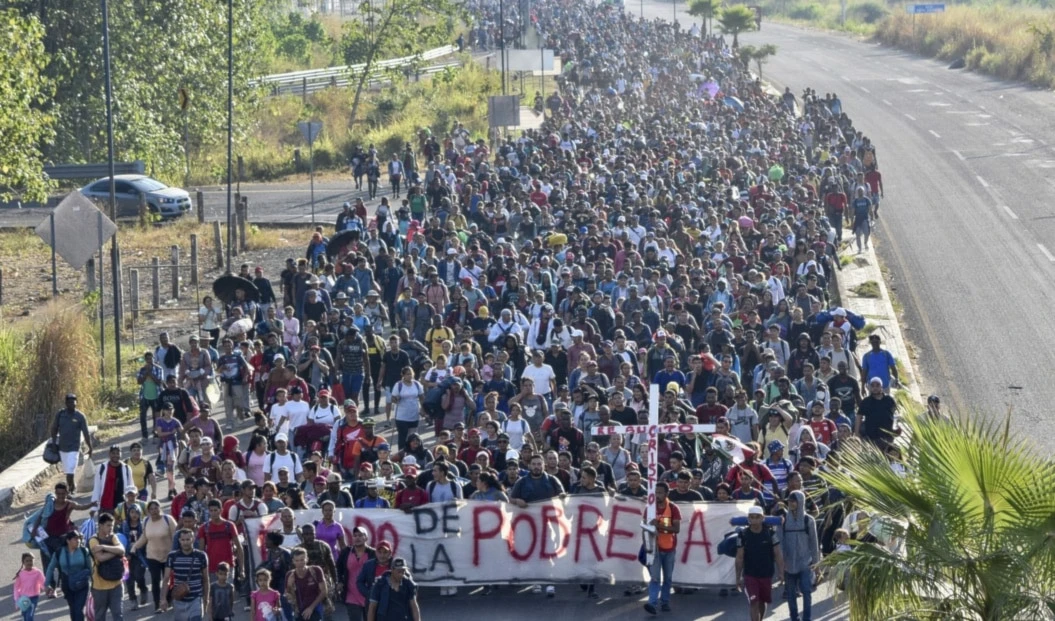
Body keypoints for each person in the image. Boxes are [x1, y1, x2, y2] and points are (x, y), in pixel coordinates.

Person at [509, 454, 564, 598]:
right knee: (533, 554)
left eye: (539, 464)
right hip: (528, 525)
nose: (537, 466)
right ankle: (536, 582)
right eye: (534, 464)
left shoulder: (552, 480)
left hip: (548, 523)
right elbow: (510, 499)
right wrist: (517, 501)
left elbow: (563, 495)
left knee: (548, 553)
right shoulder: (521, 482)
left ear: (543, 465)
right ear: (529, 466)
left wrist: (562, 497)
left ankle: (550, 582)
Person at [736, 506, 785, 621]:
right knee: (754, 602)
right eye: (752, 517)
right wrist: (738, 577)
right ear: (748, 519)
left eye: (757, 517)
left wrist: (782, 572)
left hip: (766, 574)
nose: (754, 520)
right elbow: (739, 557)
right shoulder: (742, 535)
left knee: (762, 602)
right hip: (750, 575)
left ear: (762, 518)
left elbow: (778, 554)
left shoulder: (770, 534)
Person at [132, 500, 178, 613]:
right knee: (155, 581)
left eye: (156, 508)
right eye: (151, 509)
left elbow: (176, 537)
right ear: (148, 511)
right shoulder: (146, 521)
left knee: (168, 579)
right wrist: (135, 547)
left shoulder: (168, 520)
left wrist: (175, 552)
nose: (154, 511)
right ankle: (157, 605)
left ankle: (168, 599)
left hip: (168, 556)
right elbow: (144, 537)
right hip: (152, 556)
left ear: (160, 508)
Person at [642, 481, 681, 615]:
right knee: (655, 577)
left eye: (660, 492)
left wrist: (658, 526)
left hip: (669, 549)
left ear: (666, 494)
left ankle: (665, 602)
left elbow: (676, 529)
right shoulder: (649, 509)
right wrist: (647, 545)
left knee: (668, 578)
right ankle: (652, 603)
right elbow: (644, 528)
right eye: (655, 492)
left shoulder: (673, 508)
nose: (657, 495)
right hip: (654, 549)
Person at [782, 490, 821, 621]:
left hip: (805, 562)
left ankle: (807, 618)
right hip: (788, 563)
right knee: (791, 594)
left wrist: (817, 564)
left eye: (794, 501)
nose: (791, 503)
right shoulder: (783, 520)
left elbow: (814, 543)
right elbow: (779, 542)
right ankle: (794, 617)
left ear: (801, 502)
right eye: (789, 501)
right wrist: (781, 563)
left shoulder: (808, 520)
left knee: (806, 590)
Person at [162, 528, 210, 618]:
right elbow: (166, 579)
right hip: (179, 600)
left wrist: (206, 599)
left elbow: (206, 579)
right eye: (183, 540)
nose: (185, 542)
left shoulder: (201, 556)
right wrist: (163, 599)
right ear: (179, 540)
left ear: (193, 539)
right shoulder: (172, 556)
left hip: (196, 599)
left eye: (188, 539)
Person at [50, 393, 93, 494]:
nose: (72, 404)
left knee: (70, 470)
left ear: (76, 403)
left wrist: (90, 447)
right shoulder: (60, 414)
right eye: (69, 402)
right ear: (66, 403)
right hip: (62, 448)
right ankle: (72, 485)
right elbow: (54, 429)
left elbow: (86, 433)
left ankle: (70, 489)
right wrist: (53, 443)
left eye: (73, 402)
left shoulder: (80, 416)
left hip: (74, 448)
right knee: (67, 471)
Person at [45, 531, 92, 621]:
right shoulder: (59, 552)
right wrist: (47, 584)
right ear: (68, 541)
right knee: (73, 608)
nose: (78, 540)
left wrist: (94, 584)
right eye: (75, 538)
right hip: (67, 585)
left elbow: (90, 569)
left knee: (78, 609)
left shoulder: (83, 551)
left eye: (79, 538)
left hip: (82, 584)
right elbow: (50, 568)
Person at [88, 512, 126, 621]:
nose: (111, 528)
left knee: (118, 615)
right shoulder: (93, 540)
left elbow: (122, 550)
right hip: (100, 586)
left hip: (116, 584)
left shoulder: (113, 537)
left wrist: (103, 547)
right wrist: (116, 552)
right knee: (100, 616)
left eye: (112, 525)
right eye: (108, 525)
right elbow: (100, 558)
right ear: (100, 525)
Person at [337, 526, 376, 620]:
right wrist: (340, 581)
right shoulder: (346, 552)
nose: (357, 538)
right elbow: (339, 568)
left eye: (360, 535)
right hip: (351, 594)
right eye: (355, 536)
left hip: (369, 594)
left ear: (366, 538)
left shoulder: (373, 553)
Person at [285, 547, 329, 621]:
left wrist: (311, 608)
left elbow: (324, 591)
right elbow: (287, 596)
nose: (300, 563)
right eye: (297, 560)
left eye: (302, 560)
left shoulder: (316, 570)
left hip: (316, 609)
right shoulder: (290, 574)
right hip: (299, 611)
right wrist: (289, 584)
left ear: (307, 559)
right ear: (293, 561)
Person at [13, 552, 45, 621]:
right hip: (24, 598)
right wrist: (17, 600)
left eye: (31, 560)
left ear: (33, 561)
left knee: (29, 616)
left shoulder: (38, 572)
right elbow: (16, 588)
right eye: (27, 561)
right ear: (23, 562)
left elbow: (43, 583)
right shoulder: (20, 574)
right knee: (25, 614)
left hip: (34, 597)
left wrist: (47, 589)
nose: (29, 563)